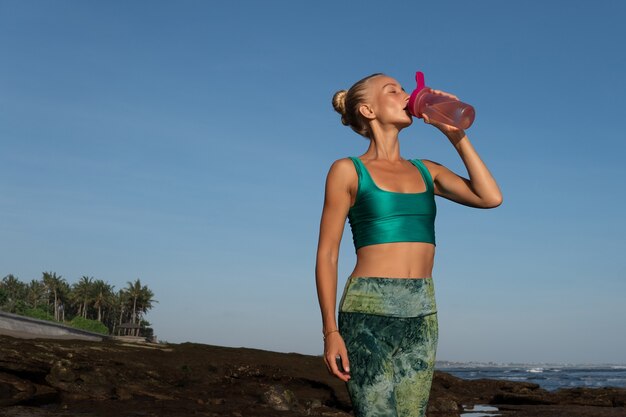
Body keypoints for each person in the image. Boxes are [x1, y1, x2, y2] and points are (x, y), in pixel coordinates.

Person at [315, 72, 502, 417]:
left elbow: (490, 197)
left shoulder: (426, 171)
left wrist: (454, 133)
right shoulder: (347, 170)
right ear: (368, 110)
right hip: (368, 308)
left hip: (422, 308)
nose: (406, 95)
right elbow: (327, 254)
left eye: (404, 88)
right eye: (393, 90)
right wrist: (331, 331)